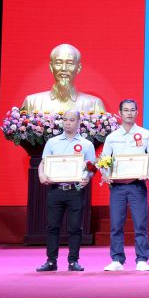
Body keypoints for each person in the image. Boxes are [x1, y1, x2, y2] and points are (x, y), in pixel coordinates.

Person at [35, 109, 96, 272]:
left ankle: (73, 261)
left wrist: (87, 178)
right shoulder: (52, 142)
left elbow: (92, 168)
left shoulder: (87, 144)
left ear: (79, 122)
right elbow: (43, 163)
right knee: (52, 226)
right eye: (65, 119)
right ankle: (51, 261)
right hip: (56, 190)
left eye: (71, 120)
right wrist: (41, 174)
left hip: (75, 190)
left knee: (75, 227)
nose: (68, 123)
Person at [101, 99, 149, 272]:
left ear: (137, 112)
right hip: (117, 187)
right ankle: (117, 259)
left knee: (140, 224)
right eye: (126, 110)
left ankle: (142, 259)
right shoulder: (111, 137)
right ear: (120, 113)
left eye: (132, 110)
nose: (129, 113)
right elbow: (104, 161)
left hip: (137, 185)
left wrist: (148, 171)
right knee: (116, 225)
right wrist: (106, 174)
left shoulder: (146, 135)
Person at [21, 44, 106, 114]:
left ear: (78, 68)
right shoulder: (32, 102)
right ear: (51, 67)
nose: (64, 68)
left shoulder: (94, 104)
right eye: (58, 63)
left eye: (70, 63)